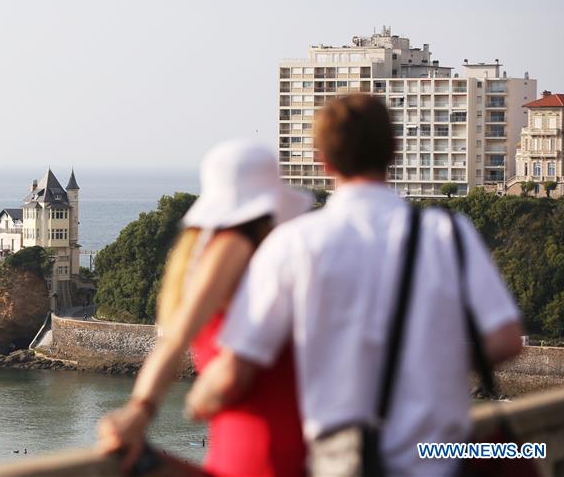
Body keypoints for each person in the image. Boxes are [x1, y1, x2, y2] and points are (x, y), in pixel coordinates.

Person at [185, 95, 524, 476]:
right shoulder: (447, 232)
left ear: (322, 160)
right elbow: (506, 340)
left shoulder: (294, 242)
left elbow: (234, 370)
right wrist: (427, 361)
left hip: (344, 461)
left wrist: (195, 401)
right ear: (393, 151)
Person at [97, 139, 312, 476]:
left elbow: (176, 339)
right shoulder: (250, 251)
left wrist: (140, 409)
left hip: (246, 448)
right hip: (278, 445)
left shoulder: (220, 250)